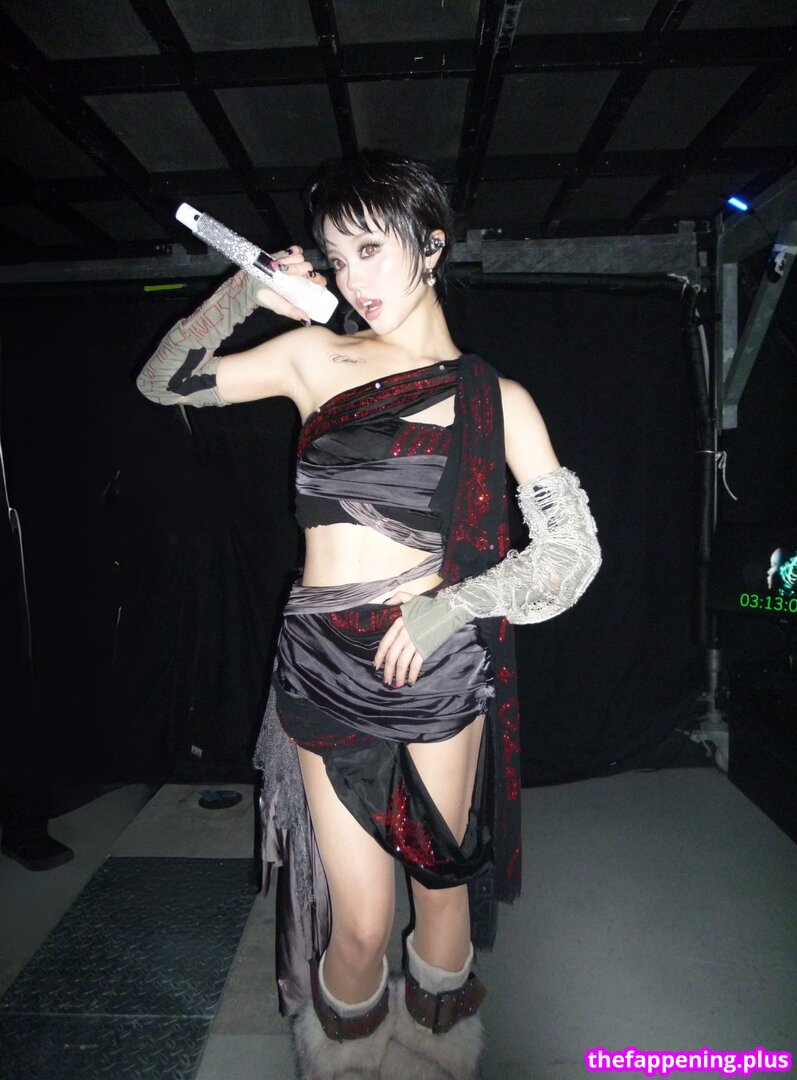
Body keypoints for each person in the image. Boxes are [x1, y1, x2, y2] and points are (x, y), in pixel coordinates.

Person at [137, 150, 601, 1079]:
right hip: (321, 659)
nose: (352, 277)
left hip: (433, 663)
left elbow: (571, 553)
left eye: (370, 249)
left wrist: (452, 608)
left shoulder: (497, 399)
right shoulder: (317, 357)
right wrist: (245, 292)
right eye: (336, 257)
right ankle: (345, 1059)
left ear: (431, 245)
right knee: (358, 924)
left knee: (440, 894)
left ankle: (435, 1050)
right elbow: (165, 383)